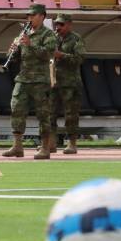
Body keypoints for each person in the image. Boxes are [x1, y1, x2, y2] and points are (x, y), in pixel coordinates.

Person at [1, 3, 57, 160]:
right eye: (28, 16)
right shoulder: (24, 33)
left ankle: (45, 147)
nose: (29, 18)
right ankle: (17, 146)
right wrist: (14, 49)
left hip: (40, 79)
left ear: (42, 16)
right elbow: (14, 57)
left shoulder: (48, 35)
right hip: (23, 78)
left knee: (43, 114)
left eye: (33, 15)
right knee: (16, 109)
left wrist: (30, 44)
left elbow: (48, 54)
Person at [50, 13, 86, 155]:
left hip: (70, 83)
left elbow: (80, 59)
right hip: (54, 81)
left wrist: (61, 55)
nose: (58, 27)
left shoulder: (76, 39)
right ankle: (50, 144)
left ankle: (72, 143)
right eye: (57, 24)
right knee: (49, 114)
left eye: (62, 24)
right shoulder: (53, 38)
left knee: (71, 115)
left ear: (69, 25)